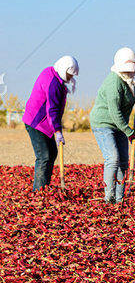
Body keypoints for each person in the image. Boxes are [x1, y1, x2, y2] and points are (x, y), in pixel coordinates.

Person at [90, 48, 135, 204]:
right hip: (104, 123)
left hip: (119, 125)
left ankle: (120, 199)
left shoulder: (129, 82)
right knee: (112, 158)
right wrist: (129, 132)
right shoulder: (114, 82)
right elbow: (114, 112)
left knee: (123, 162)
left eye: (131, 71)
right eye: (126, 71)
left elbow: (130, 90)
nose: (129, 74)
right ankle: (109, 198)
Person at [23, 56, 80, 192]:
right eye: (68, 74)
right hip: (37, 122)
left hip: (44, 122)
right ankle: (39, 191)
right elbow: (52, 109)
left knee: (51, 153)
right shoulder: (53, 83)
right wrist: (58, 131)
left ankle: (44, 187)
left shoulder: (51, 71)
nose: (70, 77)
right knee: (44, 156)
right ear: (62, 69)